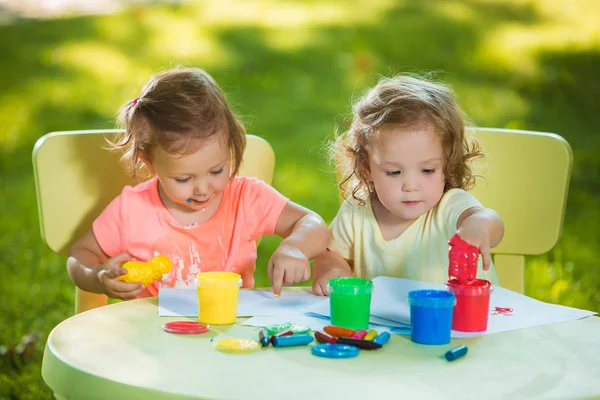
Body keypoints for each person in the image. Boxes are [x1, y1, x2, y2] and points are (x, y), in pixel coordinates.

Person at [66, 67, 330, 299]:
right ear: (149, 162)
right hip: (154, 338)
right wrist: (99, 277)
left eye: (216, 171)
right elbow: (80, 255)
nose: (203, 189)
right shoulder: (132, 210)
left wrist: (295, 248)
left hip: (229, 332)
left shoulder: (246, 198)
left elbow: (313, 224)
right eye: (183, 179)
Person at [312, 75, 504, 295]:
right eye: (394, 172)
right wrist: (333, 269)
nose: (411, 186)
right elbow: (331, 254)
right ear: (367, 168)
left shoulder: (450, 207)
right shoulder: (356, 214)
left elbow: (491, 223)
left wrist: (479, 225)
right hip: (387, 327)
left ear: (447, 164)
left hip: (464, 323)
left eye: (428, 170)